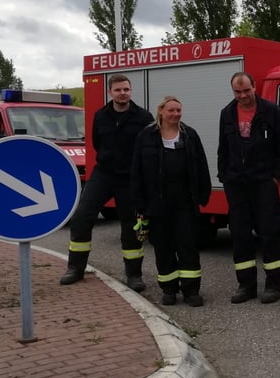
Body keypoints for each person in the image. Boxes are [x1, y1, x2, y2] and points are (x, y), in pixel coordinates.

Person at [60, 74, 154, 291]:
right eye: (119, 90)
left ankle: (134, 275)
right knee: (82, 216)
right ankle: (75, 268)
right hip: (103, 174)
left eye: (126, 89)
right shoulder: (100, 116)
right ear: (110, 92)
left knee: (131, 226)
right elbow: (96, 142)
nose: (123, 93)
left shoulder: (143, 116)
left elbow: (148, 149)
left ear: (131, 91)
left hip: (129, 177)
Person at [217, 71, 280, 304]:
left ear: (254, 86)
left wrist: (276, 178)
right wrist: (225, 177)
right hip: (237, 184)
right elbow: (223, 148)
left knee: (269, 233)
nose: (243, 96)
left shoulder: (271, 111)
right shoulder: (227, 113)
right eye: (238, 92)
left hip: (263, 182)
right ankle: (246, 285)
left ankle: (273, 286)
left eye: (246, 90)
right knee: (239, 235)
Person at [131, 96, 212, 307]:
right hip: (157, 204)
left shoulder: (190, 135)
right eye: (171, 110)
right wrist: (140, 204)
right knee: (163, 247)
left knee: (187, 246)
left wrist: (203, 195)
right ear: (160, 111)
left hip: (185, 201)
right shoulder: (146, 136)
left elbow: (201, 165)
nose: (175, 114)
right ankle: (168, 289)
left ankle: (191, 290)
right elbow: (137, 171)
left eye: (178, 110)